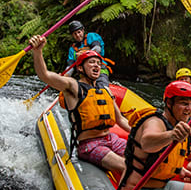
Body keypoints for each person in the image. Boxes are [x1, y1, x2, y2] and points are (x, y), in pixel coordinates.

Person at [29, 34, 130, 173]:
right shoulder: (72, 86)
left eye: (98, 64)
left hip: (111, 138)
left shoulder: (105, 90)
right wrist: (37, 51)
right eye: (92, 62)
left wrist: (138, 135)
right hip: (90, 145)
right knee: (129, 167)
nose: (96, 66)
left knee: (144, 158)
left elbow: (120, 119)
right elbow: (44, 75)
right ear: (81, 68)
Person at [66, 20, 109, 88]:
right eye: (75, 34)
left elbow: (97, 49)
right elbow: (70, 67)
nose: (77, 35)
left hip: (99, 70)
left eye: (79, 32)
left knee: (102, 87)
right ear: (72, 35)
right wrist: (65, 76)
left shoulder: (91, 36)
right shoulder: (72, 49)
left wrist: (83, 55)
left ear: (83, 30)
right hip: (84, 75)